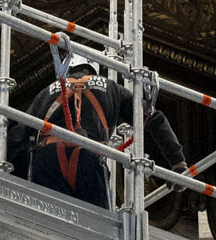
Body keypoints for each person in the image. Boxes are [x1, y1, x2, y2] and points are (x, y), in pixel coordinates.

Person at [13, 42, 185, 212]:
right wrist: (177, 162)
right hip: (89, 158)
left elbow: (19, 135)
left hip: (49, 159)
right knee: (97, 228)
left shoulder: (48, 91)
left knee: (49, 227)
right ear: (94, 67)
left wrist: (2, 172)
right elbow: (153, 118)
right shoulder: (111, 88)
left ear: (69, 67)